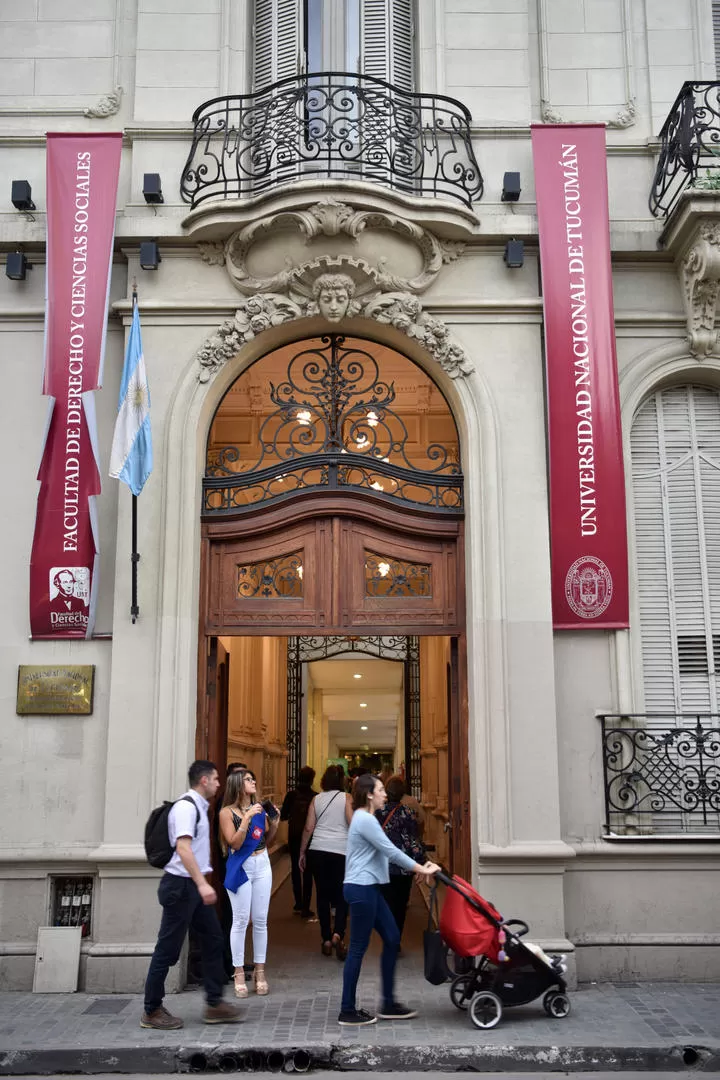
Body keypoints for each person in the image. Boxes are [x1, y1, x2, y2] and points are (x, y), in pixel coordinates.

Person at [141, 760, 243, 1029]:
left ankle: (214, 1003)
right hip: (181, 886)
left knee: (212, 938)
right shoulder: (186, 807)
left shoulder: (199, 806)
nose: (220, 783)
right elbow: (183, 849)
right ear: (204, 781)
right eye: (216, 779)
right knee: (167, 950)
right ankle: (151, 1010)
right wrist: (203, 884)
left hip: (190, 887)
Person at [339, 774, 440, 1027]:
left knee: (393, 938)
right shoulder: (365, 820)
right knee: (357, 949)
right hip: (361, 889)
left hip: (369, 888)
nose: (385, 794)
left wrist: (418, 865)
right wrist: (421, 869)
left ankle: (388, 1003)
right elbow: (391, 851)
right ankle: (347, 1010)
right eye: (381, 790)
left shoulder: (367, 818)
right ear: (369, 794)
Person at [219, 768, 279, 998]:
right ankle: (239, 973)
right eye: (248, 780)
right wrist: (245, 818)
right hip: (241, 866)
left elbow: (266, 838)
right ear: (237, 785)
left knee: (261, 920)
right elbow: (234, 843)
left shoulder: (259, 810)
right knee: (241, 920)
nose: (253, 782)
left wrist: (274, 822)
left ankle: (260, 972)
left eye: (253, 779)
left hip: (262, 863)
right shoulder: (227, 812)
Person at [299, 765, 352, 959]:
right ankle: (338, 933)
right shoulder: (346, 798)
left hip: (318, 851)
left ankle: (326, 939)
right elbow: (352, 823)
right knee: (341, 895)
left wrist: (302, 853)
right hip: (341, 852)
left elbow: (308, 828)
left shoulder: (316, 799)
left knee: (322, 895)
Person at [375, 775, 425, 943]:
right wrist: (420, 863)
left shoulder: (377, 812)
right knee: (401, 904)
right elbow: (413, 840)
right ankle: (395, 938)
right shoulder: (408, 813)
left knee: (386, 902)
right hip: (404, 866)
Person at [280, 765, 317, 917]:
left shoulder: (291, 795)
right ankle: (306, 907)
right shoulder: (316, 796)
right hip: (310, 838)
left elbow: (283, 816)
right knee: (308, 871)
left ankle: (298, 902)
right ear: (312, 779)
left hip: (294, 835)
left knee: (295, 868)